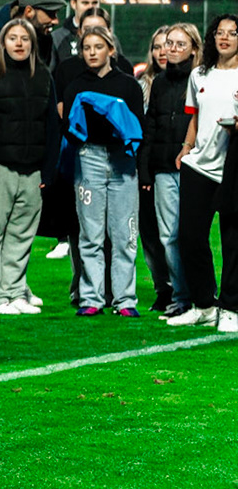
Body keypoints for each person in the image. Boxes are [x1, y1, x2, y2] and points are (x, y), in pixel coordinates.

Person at [0, 17, 59, 315]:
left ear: (32, 43)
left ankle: (14, 292)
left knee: (21, 235)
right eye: (13, 38)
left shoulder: (44, 76)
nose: (19, 43)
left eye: (25, 38)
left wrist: (47, 171)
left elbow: (52, 127)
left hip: (33, 171)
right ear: (2, 43)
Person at [61, 26, 146, 316]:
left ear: (111, 50)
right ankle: (92, 299)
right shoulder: (75, 85)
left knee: (124, 235)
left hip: (123, 162)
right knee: (90, 234)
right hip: (89, 159)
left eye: (98, 47)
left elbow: (139, 129)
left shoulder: (128, 85)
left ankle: (125, 300)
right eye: (87, 48)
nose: (92, 52)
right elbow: (70, 131)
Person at [168, 14, 238, 329]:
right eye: (219, 32)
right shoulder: (199, 74)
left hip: (233, 167)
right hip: (199, 165)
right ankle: (205, 304)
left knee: (232, 241)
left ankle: (232, 308)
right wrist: (186, 147)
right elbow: (195, 116)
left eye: (233, 33)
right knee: (190, 237)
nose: (225, 38)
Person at [140, 24, 197, 317]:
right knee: (168, 236)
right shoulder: (159, 82)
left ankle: (202, 295)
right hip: (163, 167)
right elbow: (151, 126)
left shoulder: (202, 79)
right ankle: (182, 296)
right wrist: (146, 169)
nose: (171, 49)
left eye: (178, 44)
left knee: (191, 234)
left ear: (194, 49)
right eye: (168, 44)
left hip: (193, 167)